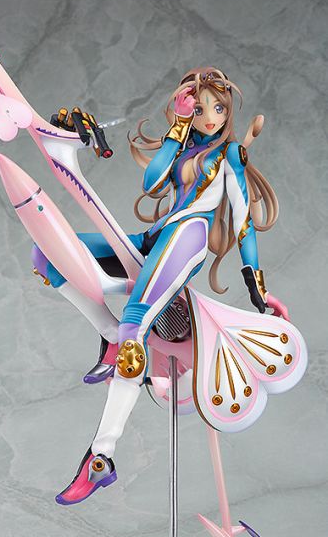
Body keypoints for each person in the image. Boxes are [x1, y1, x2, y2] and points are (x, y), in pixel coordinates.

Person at [32, 67, 284, 505]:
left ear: (228, 112)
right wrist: (178, 126)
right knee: (47, 254)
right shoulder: (184, 145)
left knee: (135, 330)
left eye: (219, 108)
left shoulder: (231, 155)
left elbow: (243, 223)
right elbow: (151, 183)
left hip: (188, 238)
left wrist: (257, 287)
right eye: (201, 108)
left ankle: (101, 457)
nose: (211, 117)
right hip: (156, 237)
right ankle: (110, 333)